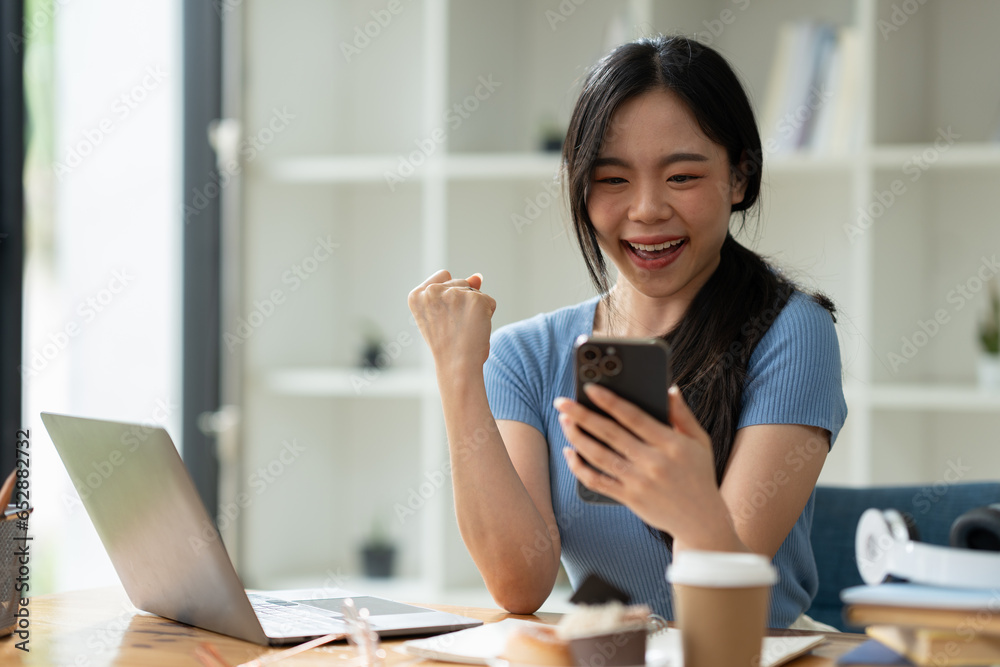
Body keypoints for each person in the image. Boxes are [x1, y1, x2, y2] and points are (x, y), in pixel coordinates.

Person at [407, 35, 847, 628]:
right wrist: (459, 374)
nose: (646, 210)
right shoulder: (523, 357)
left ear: (739, 178)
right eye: (612, 180)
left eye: (683, 177)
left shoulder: (793, 334)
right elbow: (519, 584)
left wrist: (689, 504)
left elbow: (723, 609)